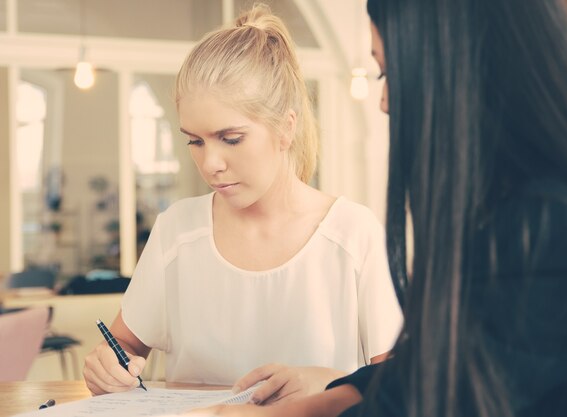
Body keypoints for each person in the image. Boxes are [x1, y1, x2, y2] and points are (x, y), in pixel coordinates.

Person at [195, 0, 567, 416]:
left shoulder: (550, 232)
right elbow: (432, 372)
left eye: (390, 71)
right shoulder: (536, 209)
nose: (383, 100)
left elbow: (438, 402)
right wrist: (310, 405)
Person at [82, 4, 402, 404]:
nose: (210, 164)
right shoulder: (177, 230)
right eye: (195, 141)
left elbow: (400, 386)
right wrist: (107, 368)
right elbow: (124, 349)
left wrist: (331, 381)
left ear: (287, 127)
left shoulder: (354, 234)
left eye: (230, 138)